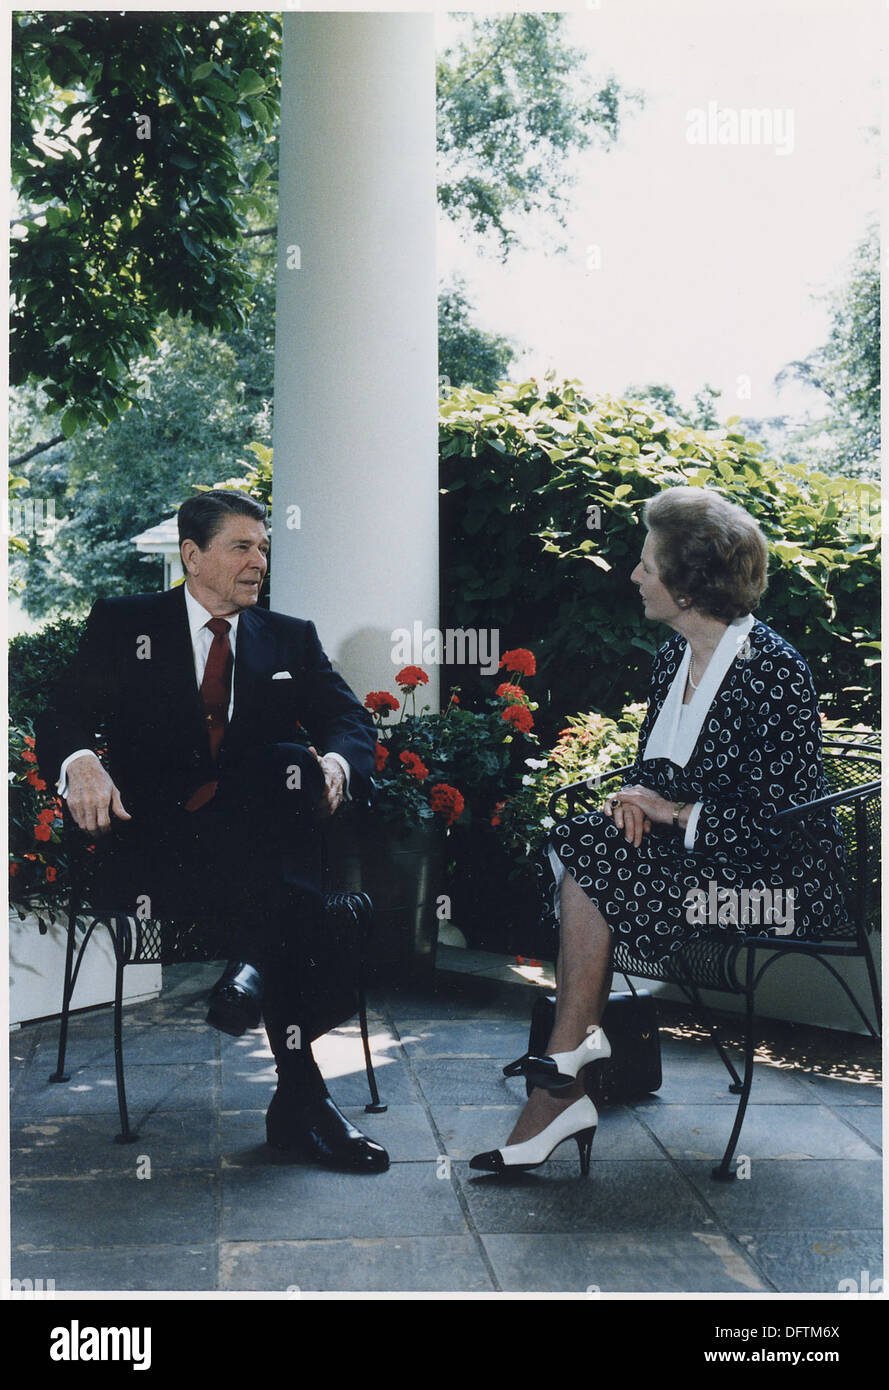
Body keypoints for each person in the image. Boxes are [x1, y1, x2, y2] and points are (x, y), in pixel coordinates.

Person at [470, 485, 849, 1176]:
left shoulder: (773, 671)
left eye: (647, 564)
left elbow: (778, 825)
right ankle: (567, 1066)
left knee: (589, 855)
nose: (634, 575)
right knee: (590, 836)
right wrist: (637, 800)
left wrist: (671, 813)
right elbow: (663, 773)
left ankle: (563, 1076)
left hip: (777, 892)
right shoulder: (671, 659)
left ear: (689, 582)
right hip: (698, 873)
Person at [35, 489, 389, 1173]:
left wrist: (340, 765)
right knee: (293, 900)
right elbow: (63, 714)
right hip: (158, 847)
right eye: (242, 547)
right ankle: (288, 1077)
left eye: (263, 548)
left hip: (253, 854)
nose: (259, 561)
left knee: (290, 771)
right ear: (192, 556)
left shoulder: (289, 637)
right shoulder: (126, 623)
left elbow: (348, 722)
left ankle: (293, 1078)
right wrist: (80, 763)